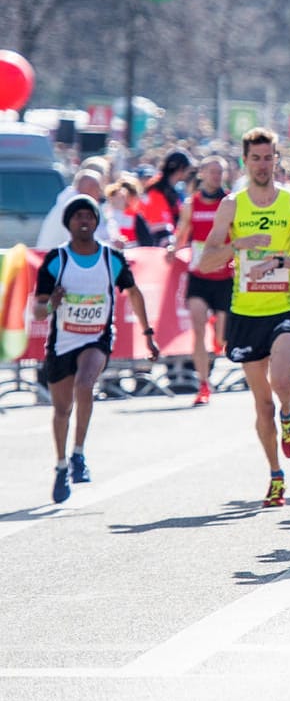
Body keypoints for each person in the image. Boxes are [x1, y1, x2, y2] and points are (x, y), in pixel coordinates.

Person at [196, 128, 290, 507]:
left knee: (282, 380)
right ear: (245, 161)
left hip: (283, 306)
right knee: (261, 404)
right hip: (245, 312)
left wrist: (285, 261)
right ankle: (275, 474)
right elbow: (206, 260)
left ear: (277, 160)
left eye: (269, 158)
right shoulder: (232, 205)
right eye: (256, 158)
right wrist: (238, 245)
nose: (263, 164)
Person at [34, 195, 158, 503]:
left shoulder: (111, 258)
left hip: (97, 338)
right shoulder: (56, 260)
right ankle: (62, 465)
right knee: (62, 409)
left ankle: (78, 454)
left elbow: (134, 292)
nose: (84, 221)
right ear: (68, 223)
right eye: (78, 217)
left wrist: (148, 333)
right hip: (62, 342)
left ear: (96, 220)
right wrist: (53, 303)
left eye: (89, 215)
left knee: (85, 383)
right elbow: (38, 310)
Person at [169, 156, 232, 406]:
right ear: (202, 174)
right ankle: (203, 384)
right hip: (198, 274)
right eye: (212, 171)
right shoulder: (191, 204)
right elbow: (182, 233)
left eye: (220, 172)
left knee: (221, 338)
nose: (216, 176)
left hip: (224, 274)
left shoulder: (230, 203)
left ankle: (217, 336)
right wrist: (173, 248)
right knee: (197, 327)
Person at [135, 149, 193, 247]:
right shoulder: (156, 190)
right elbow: (158, 227)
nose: (189, 173)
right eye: (187, 169)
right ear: (181, 168)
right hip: (158, 247)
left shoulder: (173, 190)